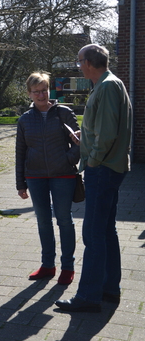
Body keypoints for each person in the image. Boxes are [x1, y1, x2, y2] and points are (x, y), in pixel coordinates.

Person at [56, 44, 132, 312]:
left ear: (88, 62)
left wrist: (92, 160)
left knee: (93, 234)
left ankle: (88, 297)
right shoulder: (109, 84)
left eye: (79, 61)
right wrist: (84, 139)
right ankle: (109, 290)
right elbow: (102, 129)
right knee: (105, 231)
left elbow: (108, 133)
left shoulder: (108, 85)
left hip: (103, 169)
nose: (78, 66)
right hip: (108, 167)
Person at [15, 72, 80, 285]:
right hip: (35, 177)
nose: (41, 95)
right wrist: (20, 183)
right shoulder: (24, 120)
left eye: (44, 90)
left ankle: (67, 267)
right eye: (36, 91)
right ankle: (47, 265)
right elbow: (20, 152)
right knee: (43, 222)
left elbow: (80, 141)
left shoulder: (63, 113)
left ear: (49, 90)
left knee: (64, 220)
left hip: (64, 175)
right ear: (29, 93)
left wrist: (67, 159)